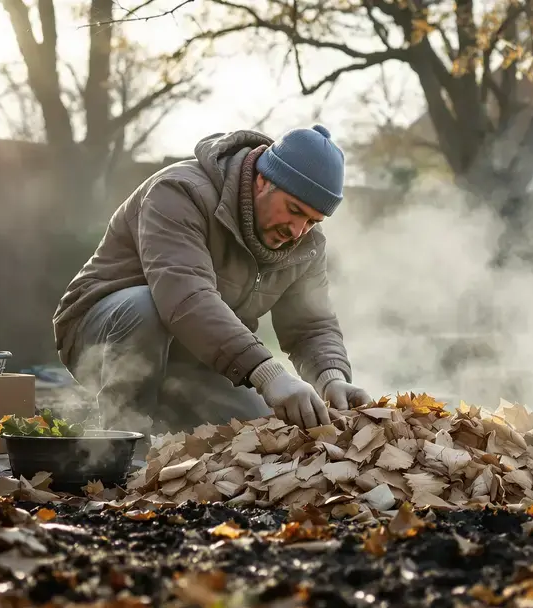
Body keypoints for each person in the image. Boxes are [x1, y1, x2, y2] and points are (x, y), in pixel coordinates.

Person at [51, 125, 372, 434]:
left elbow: (311, 325)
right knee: (144, 305)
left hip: (198, 355)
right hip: (103, 333)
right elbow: (187, 298)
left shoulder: (306, 244)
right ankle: (123, 445)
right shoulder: (179, 192)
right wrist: (269, 373)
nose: (297, 230)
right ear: (262, 180)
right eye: (293, 209)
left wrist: (331, 378)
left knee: (263, 427)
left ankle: (169, 425)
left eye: (313, 221)